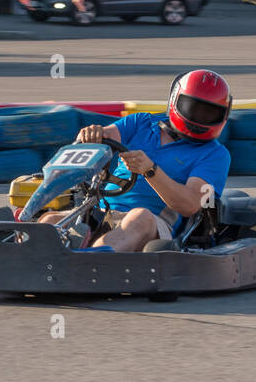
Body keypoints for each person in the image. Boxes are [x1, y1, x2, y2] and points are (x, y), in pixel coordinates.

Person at [43, 70, 233, 251]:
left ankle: (94, 259)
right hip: (99, 210)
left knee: (139, 217)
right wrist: (91, 135)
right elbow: (105, 137)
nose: (199, 117)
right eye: (193, 108)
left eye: (209, 113)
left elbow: (189, 204)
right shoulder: (141, 122)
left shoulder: (215, 155)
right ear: (176, 100)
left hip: (154, 224)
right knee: (50, 221)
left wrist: (150, 171)